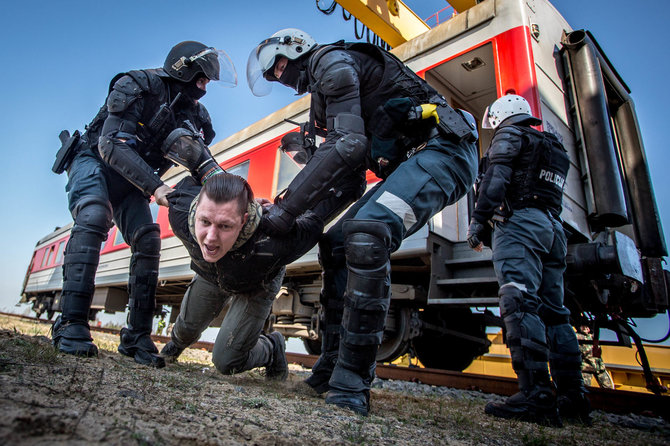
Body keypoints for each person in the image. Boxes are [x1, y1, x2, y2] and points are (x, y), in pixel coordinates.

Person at [247, 29, 478, 415]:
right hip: (416, 160)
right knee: (336, 244)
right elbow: (350, 181)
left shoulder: (330, 62)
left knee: (368, 232)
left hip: (445, 150)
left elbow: (348, 145)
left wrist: (285, 211)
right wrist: (300, 225)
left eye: (279, 66)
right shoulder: (324, 97)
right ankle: (331, 366)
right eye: (272, 75)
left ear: (296, 49)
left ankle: (352, 383)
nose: (279, 77)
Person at [51, 40, 236, 368]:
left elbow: (202, 163)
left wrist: (235, 197)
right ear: (184, 68)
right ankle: (70, 323)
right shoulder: (138, 84)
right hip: (94, 159)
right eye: (203, 79)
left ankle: (137, 336)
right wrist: (157, 187)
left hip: (131, 180)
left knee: (147, 237)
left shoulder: (193, 113)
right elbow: (111, 145)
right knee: (94, 215)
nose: (206, 87)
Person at [466, 94, 590, 426]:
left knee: (519, 301)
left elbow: (496, 178)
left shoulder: (510, 135)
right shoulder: (553, 146)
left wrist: (479, 220)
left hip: (520, 224)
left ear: (501, 116)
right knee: (556, 314)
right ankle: (573, 398)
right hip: (553, 229)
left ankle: (535, 396)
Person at [159, 172, 323, 380]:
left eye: (225, 225)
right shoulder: (181, 215)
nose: (210, 238)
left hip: (258, 280)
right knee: (184, 329)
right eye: (206, 222)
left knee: (227, 361)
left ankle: (272, 347)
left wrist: (284, 212)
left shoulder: (276, 240)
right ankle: (178, 344)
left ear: (244, 220)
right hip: (212, 274)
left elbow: (314, 223)